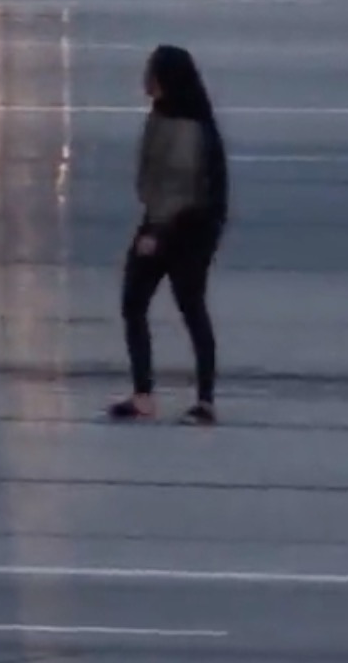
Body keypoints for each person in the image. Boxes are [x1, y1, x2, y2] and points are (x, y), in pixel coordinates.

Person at [108, 44, 230, 425]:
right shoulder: (162, 115)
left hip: (188, 227)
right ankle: (145, 393)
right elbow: (152, 176)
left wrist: (157, 232)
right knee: (136, 302)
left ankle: (204, 400)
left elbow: (180, 185)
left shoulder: (187, 126)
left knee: (189, 305)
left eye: (151, 73)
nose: (146, 80)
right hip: (162, 218)